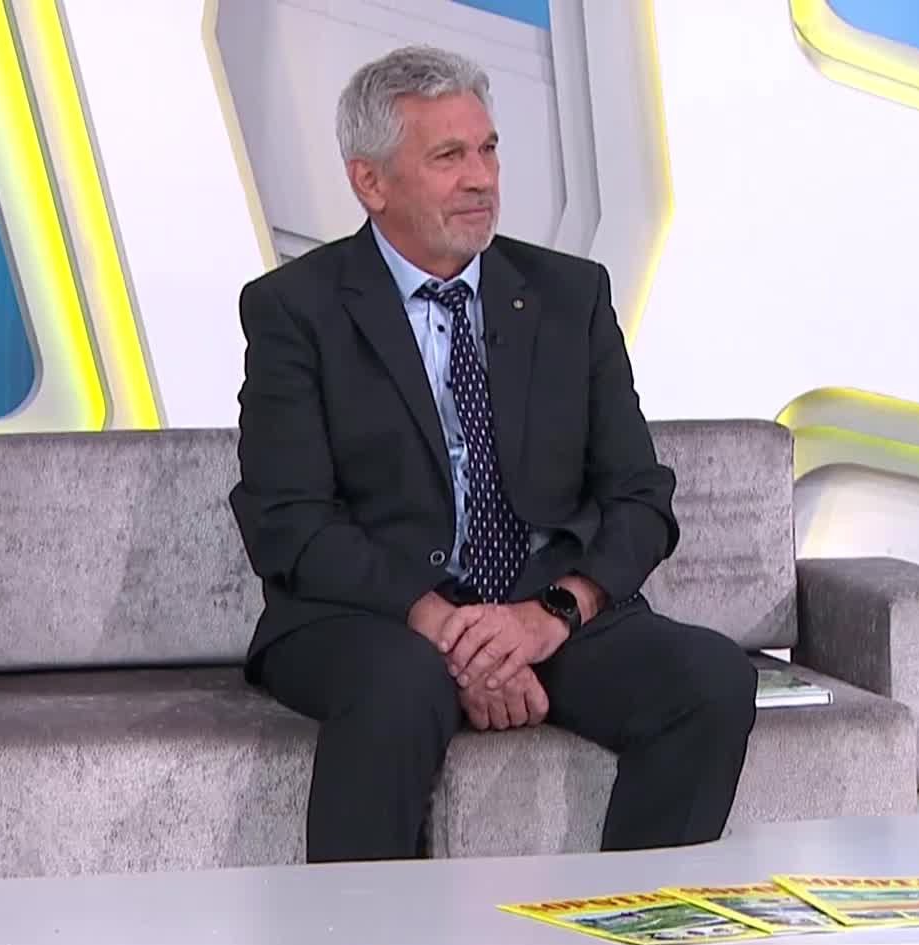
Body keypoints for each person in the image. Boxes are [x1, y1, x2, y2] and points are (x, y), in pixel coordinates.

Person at [229, 45, 760, 864]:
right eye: (448, 157)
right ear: (370, 182)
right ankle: (357, 940)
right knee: (400, 685)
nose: (481, 179)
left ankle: (631, 925)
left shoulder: (570, 296)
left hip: (539, 609)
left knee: (710, 679)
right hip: (370, 617)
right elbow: (288, 521)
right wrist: (444, 626)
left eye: (488, 149)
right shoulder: (296, 310)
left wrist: (552, 615)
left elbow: (639, 498)